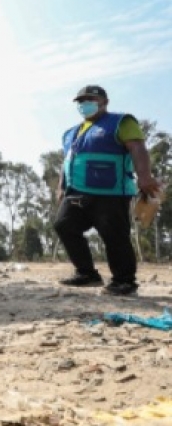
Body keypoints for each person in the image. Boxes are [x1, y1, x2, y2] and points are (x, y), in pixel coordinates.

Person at [54, 85, 160, 296]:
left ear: (104, 101)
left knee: (114, 235)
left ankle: (124, 281)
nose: (85, 104)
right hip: (77, 191)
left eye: (90, 99)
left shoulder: (121, 122)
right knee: (64, 225)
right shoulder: (70, 133)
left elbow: (137, 147)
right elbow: (67, 161)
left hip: (111, 192)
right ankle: (87, 274)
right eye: (81, 101)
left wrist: (145, 176)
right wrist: (61, 187)